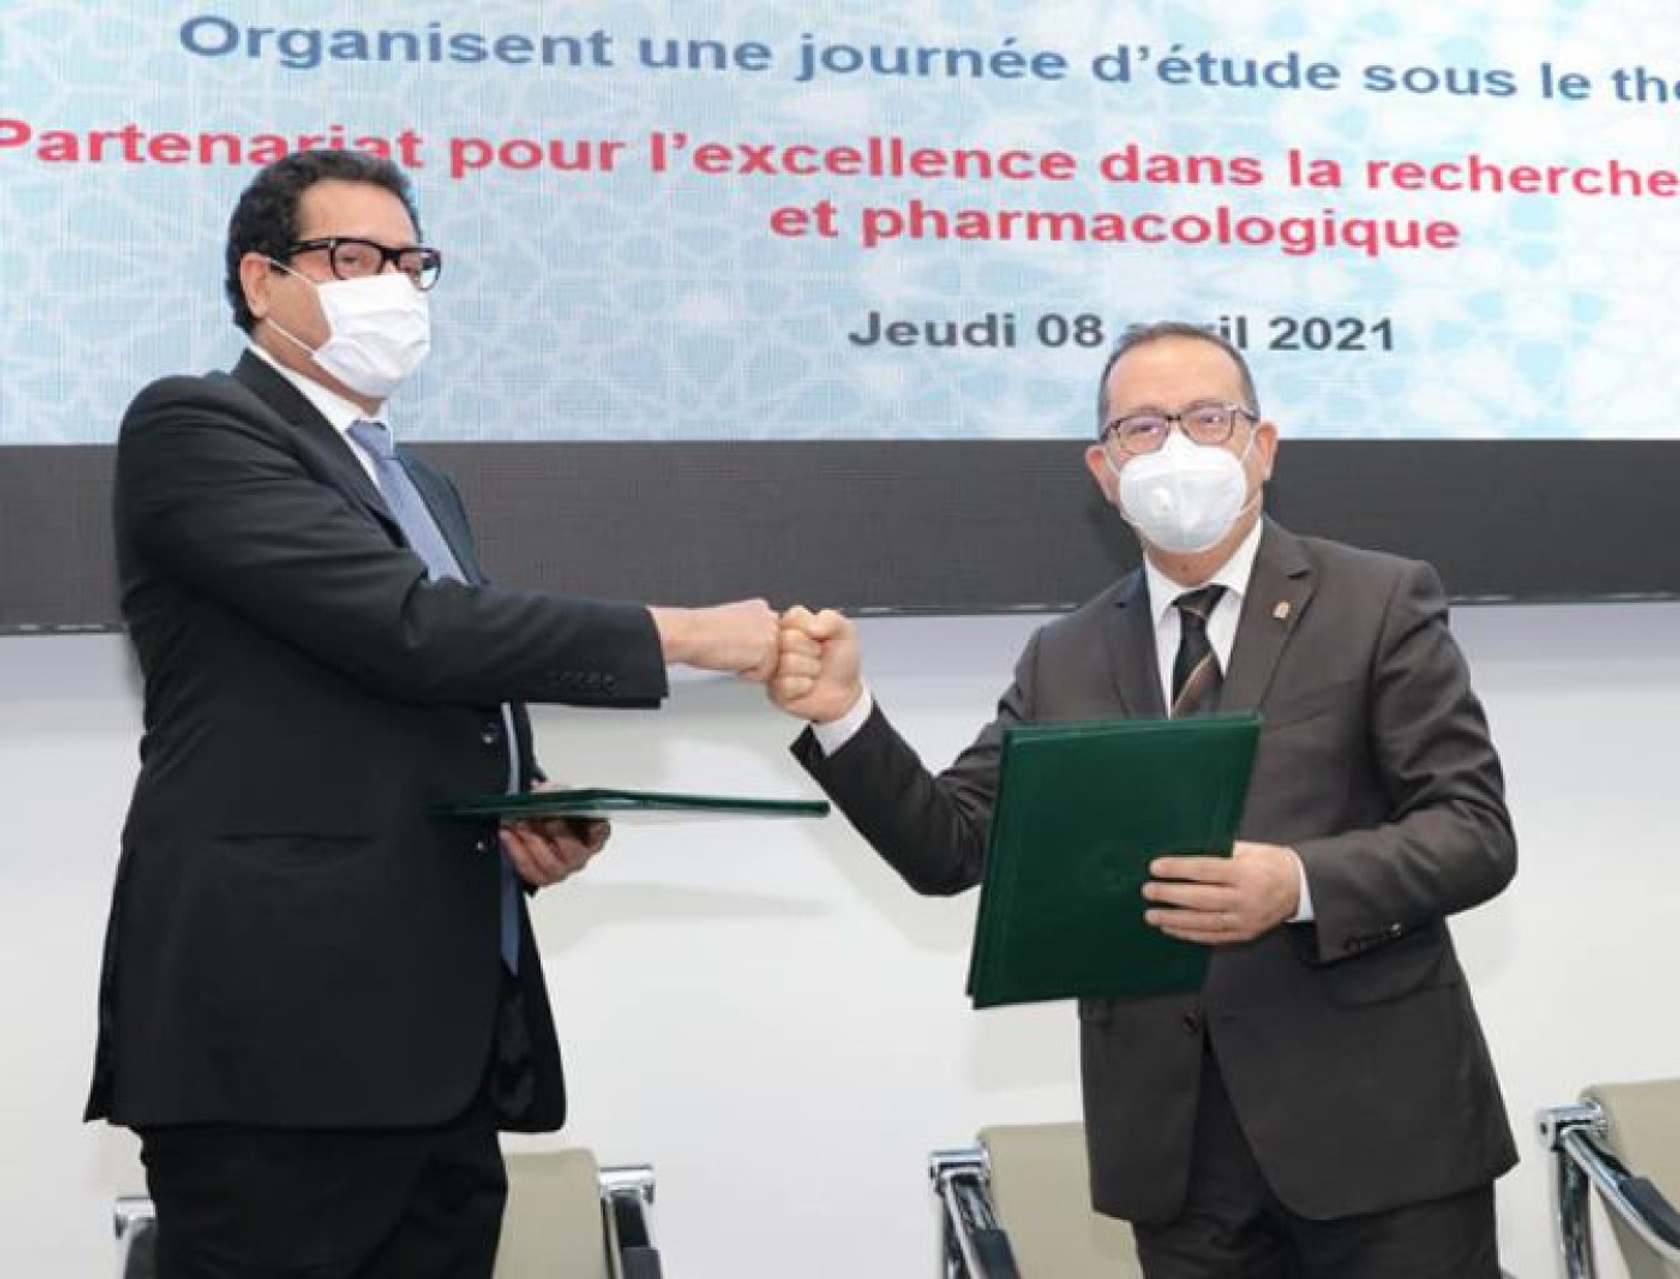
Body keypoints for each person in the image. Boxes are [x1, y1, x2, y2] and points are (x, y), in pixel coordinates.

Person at [85, 148, 780, 1279]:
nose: (394, 287)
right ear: (262, 280)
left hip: (438, 1044)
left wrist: (524, 807)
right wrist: (689, 633)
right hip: (279, 1040)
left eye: (412, 264)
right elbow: (408, 628)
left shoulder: (421, 484)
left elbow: (429, 698)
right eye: (353, 258)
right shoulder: (198, 427)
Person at [771, 321, 1517, 1279]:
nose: (1177, 448)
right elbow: (949, 846)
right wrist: (844, 714)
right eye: (1143, 428)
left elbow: (1472, 831)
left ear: (1263, 444)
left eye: (1208, 418)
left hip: (1384, 1136)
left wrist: (1295, 882)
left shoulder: (1377, 600)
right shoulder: (1065, 653)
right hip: (1180, 1163)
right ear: (1104, 468)